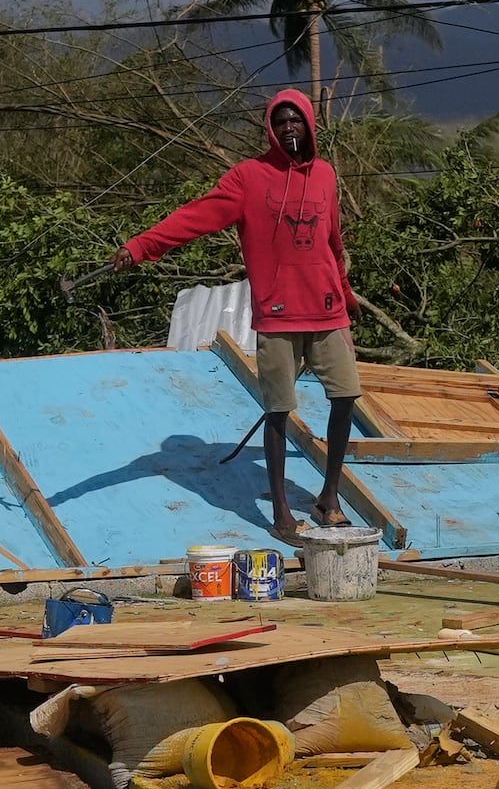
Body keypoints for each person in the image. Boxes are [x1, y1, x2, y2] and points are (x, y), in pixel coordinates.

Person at [121, 86, 359, 534]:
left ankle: (329, 497)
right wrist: (140, 247)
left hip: (327, 311)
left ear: (309, 125)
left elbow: (334, 242)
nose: (290, 127)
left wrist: (346, 296)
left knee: (345, 396)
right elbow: (195, 216)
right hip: (279, 312)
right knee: (278, 410)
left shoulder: (326, 175)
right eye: (281, 121)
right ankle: (281, 512)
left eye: (297, 120)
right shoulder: (249, 178)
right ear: (271, 128)